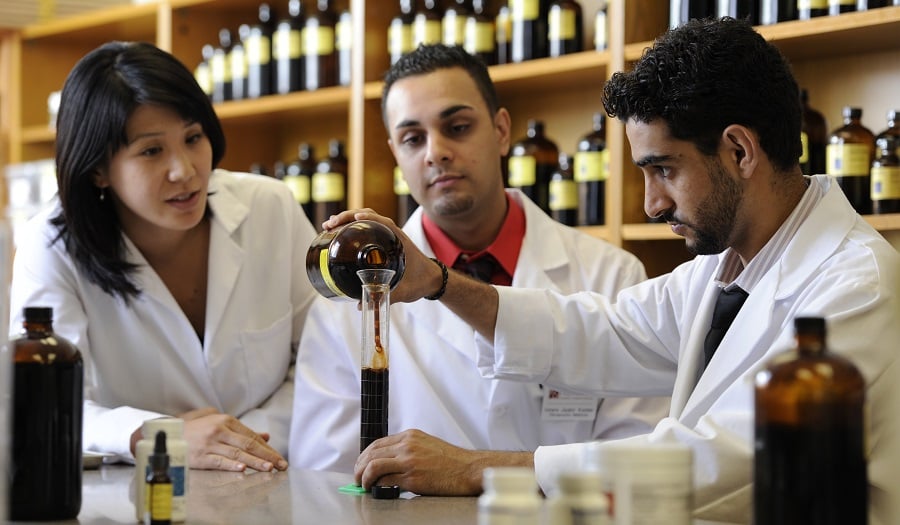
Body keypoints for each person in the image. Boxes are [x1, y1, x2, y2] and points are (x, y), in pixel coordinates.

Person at [327, 19, 900, 523]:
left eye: (664, 170)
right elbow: (599, 330)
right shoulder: (728, 267)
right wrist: (438, 282)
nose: (651, 204)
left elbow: (727, 459)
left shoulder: (854, 284)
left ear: (740, 152)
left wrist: (480, 468)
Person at [289, 44, 668, 473]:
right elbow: (324, 477)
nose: (436, 152)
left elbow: (636, 458)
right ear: (395, 154)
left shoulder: (611, 275)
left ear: (502, 130)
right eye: (413, 139)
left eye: (458, 126)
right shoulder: (350, 298)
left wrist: (477, 472)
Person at [9, 41, 319, 472]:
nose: (186, 170)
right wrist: (159, 436)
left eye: (193, 138)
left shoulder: (271, 208)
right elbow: (46, 405)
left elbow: (323, 359)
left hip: (273, 473)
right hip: (138, 493)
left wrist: (236, 442)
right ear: (98, 168)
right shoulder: (51, 246)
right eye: (152, 151)